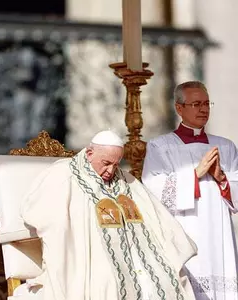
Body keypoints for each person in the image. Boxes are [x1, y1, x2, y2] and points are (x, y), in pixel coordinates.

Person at [17, 130, 197, 300]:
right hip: (88, 255)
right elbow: (38, 211)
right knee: (110, 282)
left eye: (116, 164)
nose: (111, 171)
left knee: (164, 277)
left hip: (135, 255)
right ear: (89, 153)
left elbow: (156, 216)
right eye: (106, 163)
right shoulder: (63, 173)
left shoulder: (125, 180)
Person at [142, 80, 238, 300]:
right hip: (185, 230)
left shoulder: (226, 146)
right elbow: (152, 190)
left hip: (218, 233)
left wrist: (221, 178)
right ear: (179, 108)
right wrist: (195, 174)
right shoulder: (160, 146)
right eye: (196, 104)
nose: (204, 109)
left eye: (206, 103)